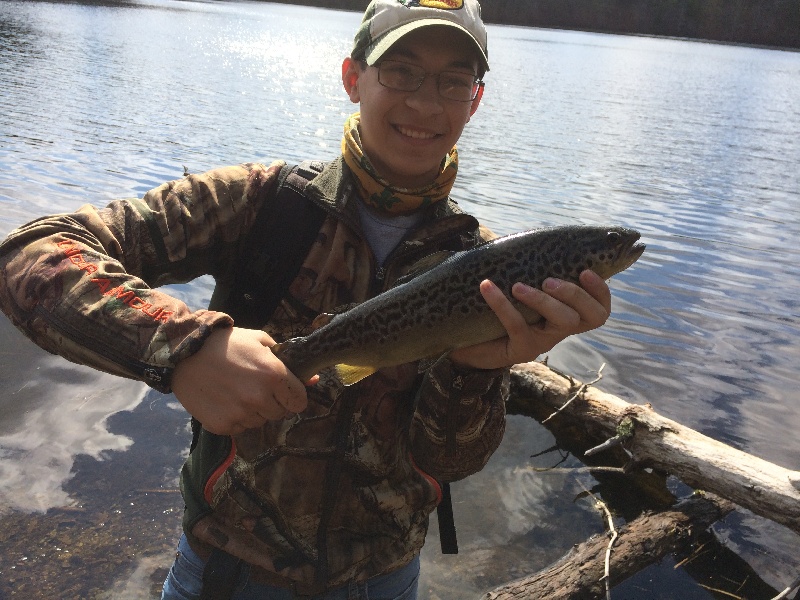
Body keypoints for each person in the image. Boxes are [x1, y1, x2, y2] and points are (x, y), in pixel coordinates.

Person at [0, 0, 612, 598]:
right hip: (225, 573)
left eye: (455, 82)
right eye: (402, 72)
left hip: (387, 580)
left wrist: (480, 366)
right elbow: (31, 255)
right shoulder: (257, 204)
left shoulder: (487, 265)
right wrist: (183, 348)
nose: (427, 103)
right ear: (353, 78)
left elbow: (450, 460)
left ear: (475, 101)